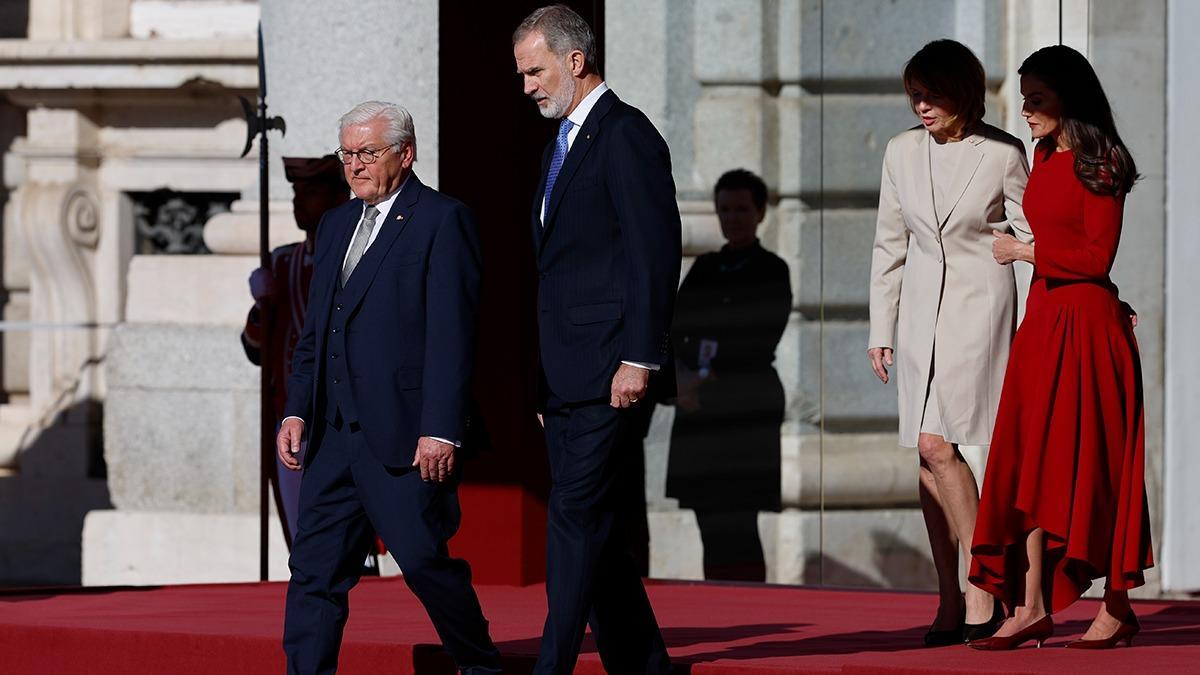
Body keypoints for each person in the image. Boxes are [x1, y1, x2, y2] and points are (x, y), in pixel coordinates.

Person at [276, 101, 501, 674]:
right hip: (331, 437)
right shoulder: (335, 224)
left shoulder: (441, 220)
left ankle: (479, 663)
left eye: (367, 153)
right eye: (347, 154)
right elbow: (315, 331)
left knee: (424, 561)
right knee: (314, 570)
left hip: (403, 434)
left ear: (407, 151)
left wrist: (441, 429)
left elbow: (454, 335)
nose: (354, 166)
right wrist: (296, 410)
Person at [513, 5, 681, 673]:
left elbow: (653, 251)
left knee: (573, 516)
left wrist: (639, 356)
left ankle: (551, 663)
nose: (526, 84)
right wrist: (543, 381)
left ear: (575, 61)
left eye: (535, 70)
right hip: (567, 376)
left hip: (613, 368)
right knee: (598, 531)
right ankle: (643, 663)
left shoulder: (626, 134)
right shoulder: (562, 142)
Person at [969, 44, 1152, 651]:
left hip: (1088, 328)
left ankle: (1117, 606)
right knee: (1029, 459)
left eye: (1037, 99)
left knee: (1095, 465)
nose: (1026, 111)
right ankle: (1030, 606)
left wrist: (1025, 252)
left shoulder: (1103, 161)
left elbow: (1098, 258)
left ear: (1068, 97)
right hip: (1043, 324)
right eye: (1024, 99)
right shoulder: (1042, 156)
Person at [868, 39, 1031, 646]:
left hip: (977, 315)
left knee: (939, 445)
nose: (921, 105)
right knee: (925, 455)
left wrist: (1039, 317)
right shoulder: (900, 150)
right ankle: (949, 600)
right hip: (915, 323)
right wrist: (880, 329)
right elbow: (890, 244)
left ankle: (985, 586)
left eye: (931, 93)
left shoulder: (1002, 153)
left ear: (961, 92)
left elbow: (1033, 237)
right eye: (914, 93)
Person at [665, 168, 791, 582]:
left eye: (741, 209)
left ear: (760, 213)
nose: (732, 218)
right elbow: (674, 326)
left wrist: (704, 374)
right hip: (699, 408)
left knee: (740, 521)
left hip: (743, 408)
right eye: (724, 210)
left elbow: (758, 336)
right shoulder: (705, 268)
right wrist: (681, 377)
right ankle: (717, 601)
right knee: (708, 519)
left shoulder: (773, 269)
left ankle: (750, 604)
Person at [241, 154, 350, 547]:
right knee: (302, 532)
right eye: (295, 193)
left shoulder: (353, 257)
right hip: (292, 414)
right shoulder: (284, 263)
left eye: (311, 192)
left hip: (343, 416)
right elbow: (256, 350)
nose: (298, 202)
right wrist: (262, 305)